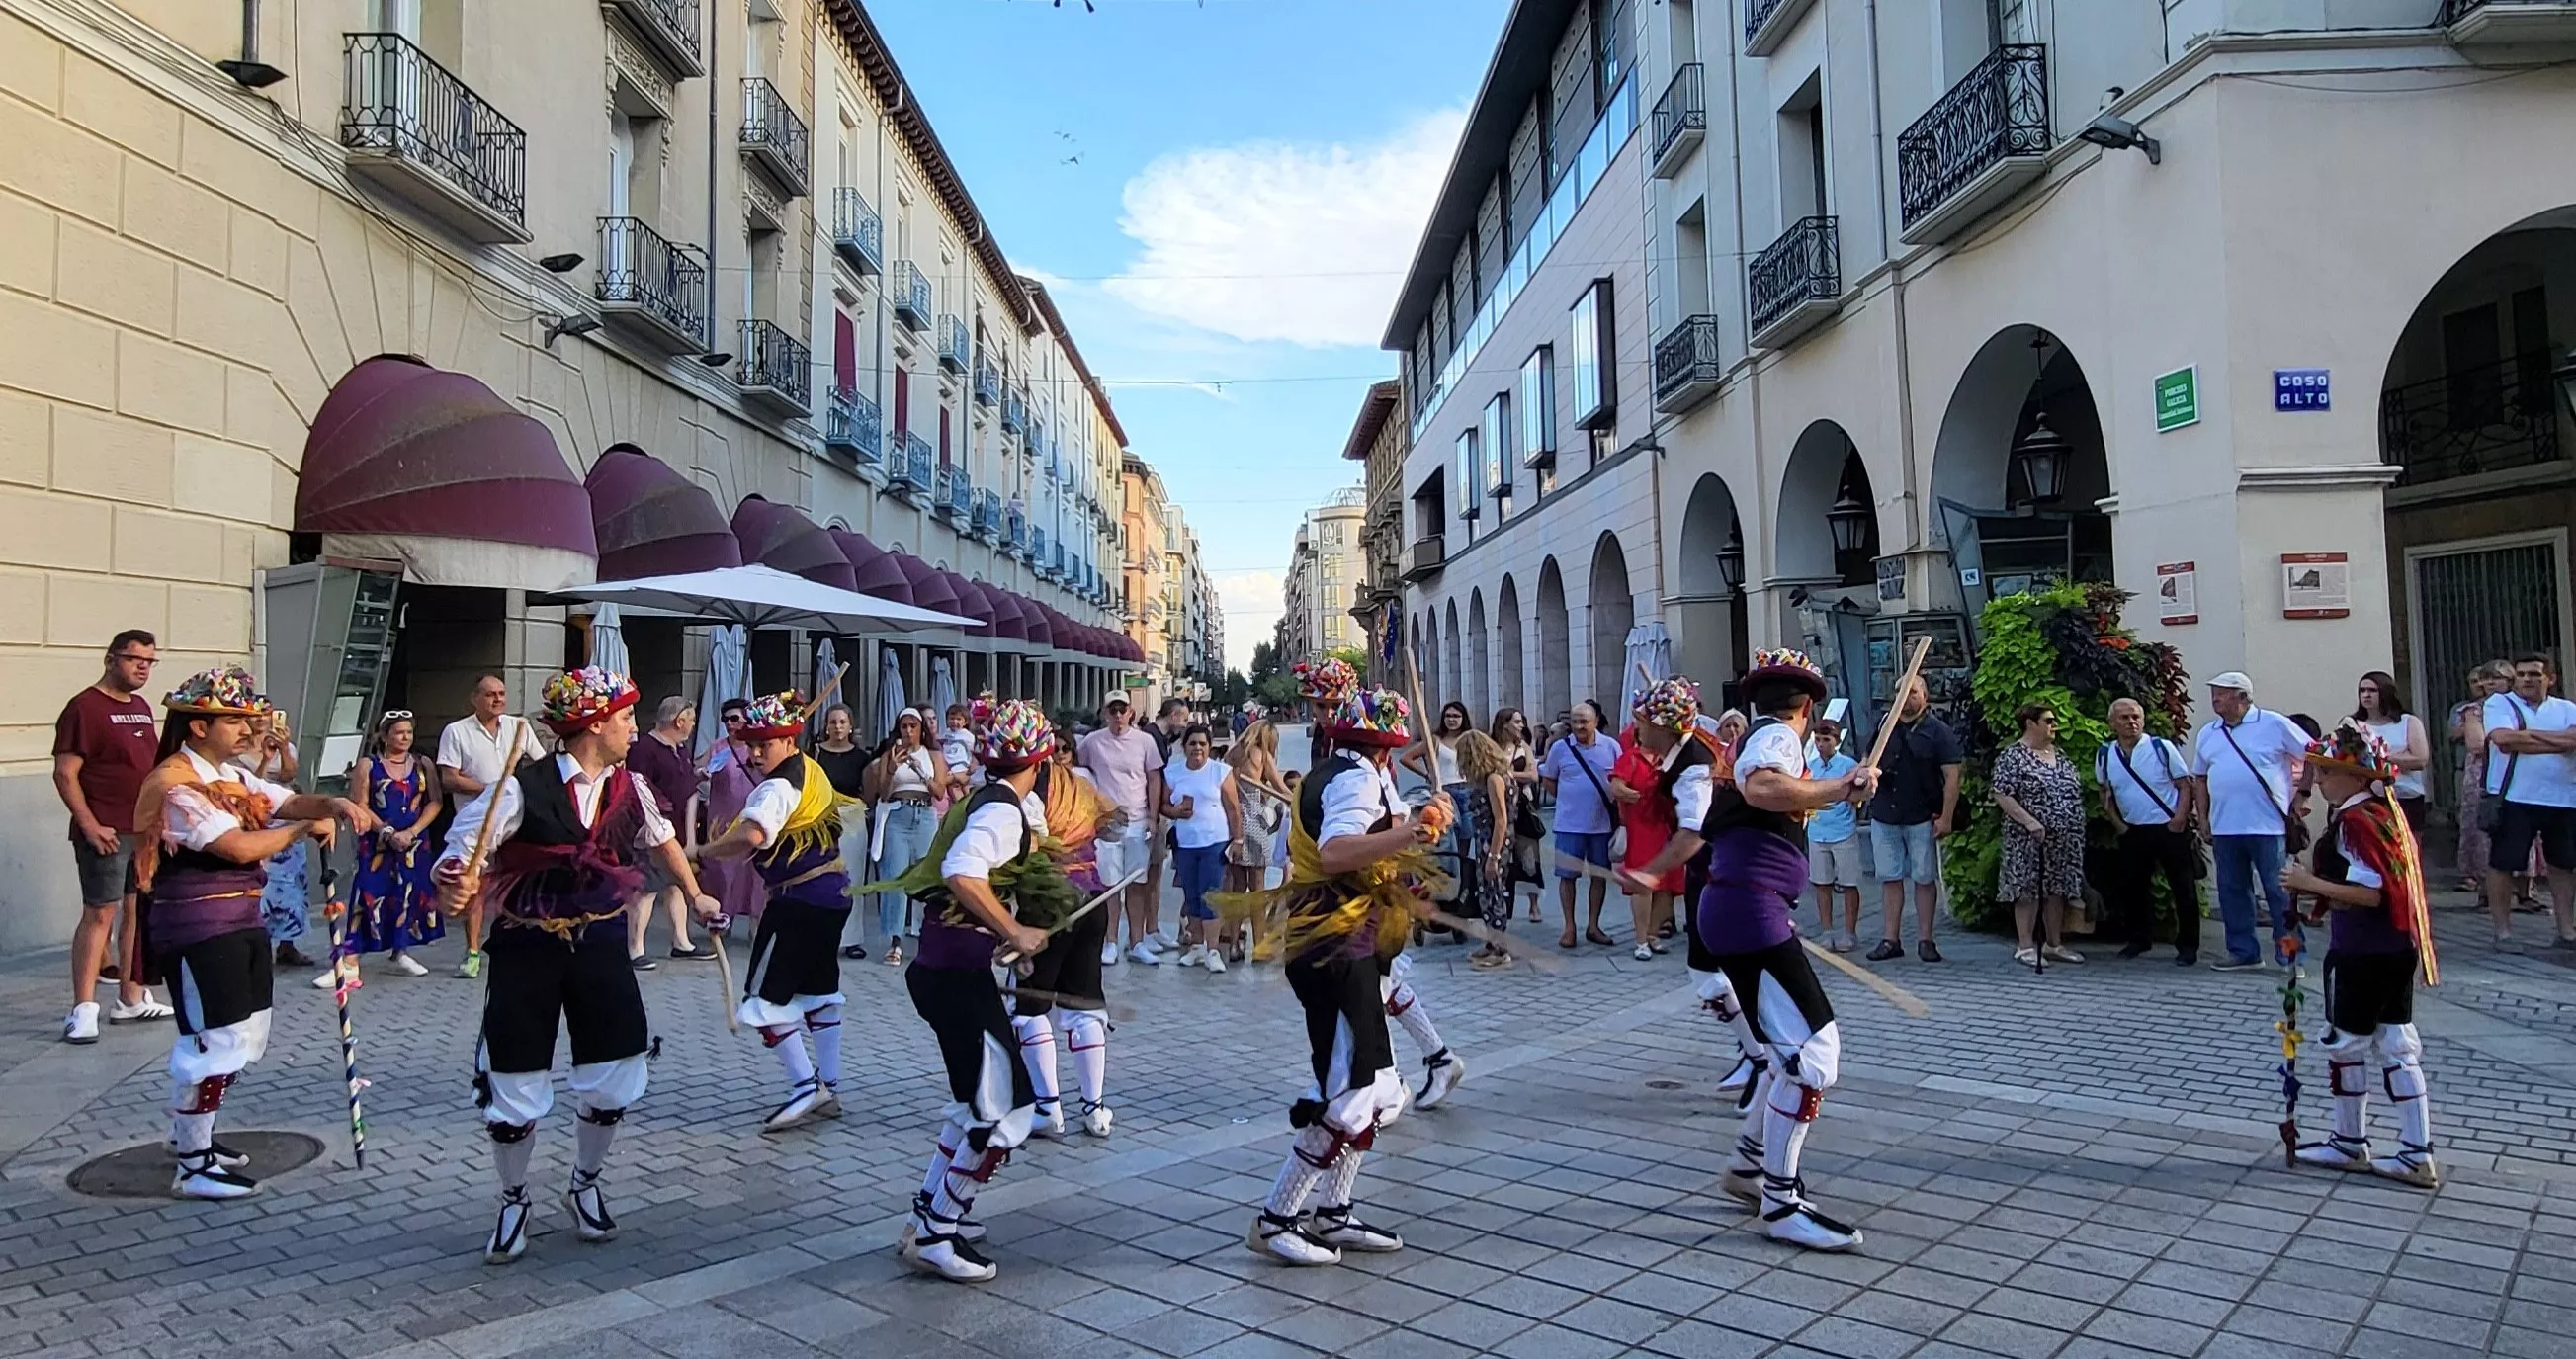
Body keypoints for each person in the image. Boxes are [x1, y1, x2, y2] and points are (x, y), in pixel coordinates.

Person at [435, 667, 719, 1264]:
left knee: (614, 1068)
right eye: (624, 720)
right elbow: (464, 855)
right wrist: (454, 888)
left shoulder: (630, 785)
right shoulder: (518, 788)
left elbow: (662, 840)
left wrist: (694, 897)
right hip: (528, 947)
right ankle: (513, 1199)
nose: (633, 730)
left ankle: (584, 1183)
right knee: (514, 1079)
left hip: (600, 944)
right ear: (593, 727)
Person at [1621, 654, 1875, 1251]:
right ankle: (1781, 1203)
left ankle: (1749, 1166)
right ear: (1808, 709)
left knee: (1787, 1053)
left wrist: (1841, 791)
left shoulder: (1747, 745)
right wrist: (1841, 785)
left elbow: (1763, 800)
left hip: (1743, 907)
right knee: (1814, 1056)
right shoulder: (1776, 740)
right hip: (1748, 909)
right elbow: (1765, 788)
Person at [1229, 688, 1447, 1267]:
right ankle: (1277, 1218)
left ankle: (1334, 1211)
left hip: (1349, 938)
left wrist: (1417, 837)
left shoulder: (1349, 771)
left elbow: (1382, 837)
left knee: (1375, 1089)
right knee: (1352, 1094)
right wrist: (1411, 835)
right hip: (1333, 944)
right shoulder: (1353, 779)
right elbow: (1336, 852)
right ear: (1385, 743)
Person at [136, 665, 373, 1198]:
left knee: (246, 1034)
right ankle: (192, 1165)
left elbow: (285, 800)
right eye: (235, 721)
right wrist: (300, 830)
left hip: (241, 921)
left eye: (249, 720)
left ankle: (193, 1135)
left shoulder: (232, 777)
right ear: (198, 726)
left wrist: (332, 803)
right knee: (213, 1041)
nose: (248, 731)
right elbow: (237, 846)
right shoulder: (175, 784)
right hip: (196, 927)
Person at [880, 701, 1060, 1284]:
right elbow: (961, 872)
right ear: (1043, 759)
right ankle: (938, 1233)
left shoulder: (985, 800)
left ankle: (928, 1215)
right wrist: (1013, 930)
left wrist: (999, 943)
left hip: (948, 969)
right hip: (954, 979)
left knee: (973, 1103)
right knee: (1008, 1110)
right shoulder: (1004, 811)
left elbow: (960, 894)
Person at [2281, 719, 2441, 1189]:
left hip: (2362, 950)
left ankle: (2351, 1142)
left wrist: (2309, 884)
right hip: (2394, 948)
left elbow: (2372, 894)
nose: (2320, 780)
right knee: (2396, 1041)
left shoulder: (2356, 821)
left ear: (2355, 777)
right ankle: (2414, 1149)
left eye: (2327, 772)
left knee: (2349, 1043)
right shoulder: (2382, 814)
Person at [696, 692, 861, 1133]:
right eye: (751, 744)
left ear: (788, 740)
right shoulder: (812, 769)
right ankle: (829, 1084)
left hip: (798, 901)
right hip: (833, 895)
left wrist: (703, 850)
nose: (753, 754)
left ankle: (807, 1087)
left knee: (764, 999)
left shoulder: (780, 785)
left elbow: (752, 835)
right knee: (819, 990)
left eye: (763, 744)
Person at [55, 630, 176, 1041]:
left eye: (149, 660)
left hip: (143, 831)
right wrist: (89, 825)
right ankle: (83, 1009)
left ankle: (131, 998)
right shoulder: (84, 708)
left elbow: (153, 771)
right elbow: (65, 773)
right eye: (134, 658)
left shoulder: (142, 707)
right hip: (105, 831)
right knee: (99, 915)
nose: (143, 666)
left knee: (137, 913)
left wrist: (163, 822)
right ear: (111, 660)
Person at [1018, 739, 1124, 1139]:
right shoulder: (1079, 784)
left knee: (1032, 1005)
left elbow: (1024, 846)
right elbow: (1115, 824)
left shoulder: (1025, 793)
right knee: (1084, 1003)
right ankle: (1095, 1109)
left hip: (1048, 903)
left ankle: (1048, 1109)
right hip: (1091, 898)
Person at [2190, 672, 2311, 971]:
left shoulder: (2273, 723)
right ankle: (2244, 952)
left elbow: (2314, 755)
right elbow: (2200, 778)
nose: (2215, 699)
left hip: (2268, 826)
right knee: (2233, 891)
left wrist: (2302, 795)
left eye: (2222, 693)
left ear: (2242, 697)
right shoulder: (2209, 732)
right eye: (2214, 693)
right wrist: (2203, 818)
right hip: (2225, 826)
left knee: (2278, 891)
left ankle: (2291, 954)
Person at [437, 674, 550, 979]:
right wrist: (494, 791)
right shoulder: (456, 731)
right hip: (476, 827)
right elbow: (449, 778)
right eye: (490, 695)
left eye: (501, 693)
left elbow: (542, 766)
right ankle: (472, 951)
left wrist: (516, 794)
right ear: (474, 698)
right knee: (475, 889)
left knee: (518, 885)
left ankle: (521, 944)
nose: (498, 699)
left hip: (515, 825)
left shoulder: (519, 728)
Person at [2462, 652, 2576, 949]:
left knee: (2562, 864)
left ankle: (2566, 929)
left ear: (2550, 679)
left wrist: (2529, 737)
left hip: (2563, 797)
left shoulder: (2566, 709)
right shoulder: (2500, 703)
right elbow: (2503, 739)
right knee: (2503, 863)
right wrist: (2556, 741)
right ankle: (2503, 931)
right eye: (2522, 674)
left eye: (2535, 674)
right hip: (2513, 796)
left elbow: (2574, 741)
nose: (2527, 679)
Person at [334, 711, 445, 984]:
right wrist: (385, 831)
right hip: (378, 842)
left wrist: (413, 831)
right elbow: (360, 804)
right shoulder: (369, 765)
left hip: (414, 842)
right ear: (384, 736)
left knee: (407, 892)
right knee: (368, 893)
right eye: (398, 732)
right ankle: (350, 958)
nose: (405, 737)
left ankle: (401, 949)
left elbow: (435, 801)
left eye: (409, 732)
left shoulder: (423, 764)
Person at [2096, 697, 2200, 965]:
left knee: (2183, 888)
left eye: (2136, 717)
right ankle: (2139, 939)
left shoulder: (2160, 747)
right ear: (2112, 723)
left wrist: (2179, 819)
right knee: (2134, 888)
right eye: (2125, 718)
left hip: (2168, 828)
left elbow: (2184, 784)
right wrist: (2118, 824)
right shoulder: (2106, 753)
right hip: (2133, 830)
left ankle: (2188, 946)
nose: (2132, 722)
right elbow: (2104, 791)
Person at [1864, 676, 1960, 964]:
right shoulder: (1885, 726)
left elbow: (1952, 776)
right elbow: (1868, 760)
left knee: (1923, 877)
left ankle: (1925, 940)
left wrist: (1946, 817)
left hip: (1921, 815)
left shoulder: (1938, 731)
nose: (1904, 697)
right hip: (1885, 814)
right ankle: (1890, 939)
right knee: (1890, 877)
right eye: (1899, 691)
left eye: (1911, 691)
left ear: (1925, 696)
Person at [1992, 702, 2087, 968]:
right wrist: (2030, 822)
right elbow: (2002, 793)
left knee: (2057, 887)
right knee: (2027, 889)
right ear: (2030, 724)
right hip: (2027, 837)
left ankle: (2053, 944)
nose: (2054, 725)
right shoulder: (2013, 756)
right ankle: (2025, 946)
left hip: (2064, 838)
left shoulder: (2060, 755)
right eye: (2048, 720)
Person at [621, 697, 710, 966]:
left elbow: (685, 784)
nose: (693, 725)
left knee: (676, 885)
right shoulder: (644, 749)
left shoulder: (680, 749)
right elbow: (637, 787)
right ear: (678, 721)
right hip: (652, 830)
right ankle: (635, 948)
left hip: (679, 829)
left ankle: (681, 942)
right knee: (647, 888)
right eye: (691, 719)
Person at [1077, 696, 1164, 967]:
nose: (1117, 715)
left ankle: (1136, 941)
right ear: (1104, 712)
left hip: (1137, 820)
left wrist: (1152, 816)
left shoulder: (1144, 742)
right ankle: (1110, 941)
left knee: (1136, 885)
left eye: (1122, 709)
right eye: (1112, 710)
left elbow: (1153, 778)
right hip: (1107, 823)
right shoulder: (1093, 742)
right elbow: (1082, 771)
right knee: (1110, 885)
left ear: (1131, 712)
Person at [859, 709, 945, 965]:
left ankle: (926, 936)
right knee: (894, 878)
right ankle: (895, 940)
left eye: (913, 726)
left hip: (924, 815)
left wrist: (920, 771)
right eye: (904, 727)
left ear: (921, 729)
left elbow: (939, 792)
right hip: (897, 815)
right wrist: (892, 769)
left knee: (927, 879)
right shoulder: (890, 754)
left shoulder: (933, 756)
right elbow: (883, 794)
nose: (908, 732)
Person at [1537, 700, 1621, 949]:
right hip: (1568, 825)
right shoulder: (1560, 749)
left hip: (1602, 825)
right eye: (1574, 721)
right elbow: (1549, 779)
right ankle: (1569, 927)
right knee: (1567, 876)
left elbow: (1621, 777)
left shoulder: (1611, 747)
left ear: (1596, 721)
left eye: (1584, 721)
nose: (1578, 726)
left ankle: (1594, 926)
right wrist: (1570, 798)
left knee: (1599, 876)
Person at [233, 710, 310, 966]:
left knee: (293, 887)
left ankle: (288, 945)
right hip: (258, 824)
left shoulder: (284, 745)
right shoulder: (238, 750)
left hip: (286, 821)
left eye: (267, 714)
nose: (262, 720)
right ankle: (261, 944)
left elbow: (289, 776)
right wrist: (265, 759)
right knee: (265, 889)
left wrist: (284, 748)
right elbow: (249, 785)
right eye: (256, 715)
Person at [1163, 725, 1242, 971]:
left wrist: (1237, 840)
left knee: (1211, 895)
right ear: (1184, 747)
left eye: (1202, 744)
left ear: (1209, 747)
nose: (1197, 748)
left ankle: (1213, 949)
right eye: (1192, 744)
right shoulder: (1173, 773)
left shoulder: (1220, 771)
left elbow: (1233, 807)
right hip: (1185, 843)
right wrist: (1175, 812)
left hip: (1214, 842)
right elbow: (1163, 805)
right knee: (1191, 895)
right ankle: (1196, 946)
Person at [694, 697, 764, 953]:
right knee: (723, 873)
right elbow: (696, 770)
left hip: (754, 818)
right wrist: (700, 774)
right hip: (722, 821)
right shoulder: (718, 748)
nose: (731, 724)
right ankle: (724, 921)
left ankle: (757, 926)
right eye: (726, 719)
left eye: (736, 718)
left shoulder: (760, 746)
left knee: (756, 874)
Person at [1609, 718, 1681, 962]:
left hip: (1668, 827)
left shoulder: (1669, 760)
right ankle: (1640, 940)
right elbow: (1617, 787)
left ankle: (1652, 935)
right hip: (1641, 829)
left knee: (1667, 886)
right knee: (1643, 885)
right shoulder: (1630, 757)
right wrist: (1636, 796)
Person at [1223, 720, 1292, 964]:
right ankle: (1259, 945)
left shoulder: (1232, 755)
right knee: (1258, 890)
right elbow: (1280, 787)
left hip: (1233, 825)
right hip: (1255, 824)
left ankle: (1233, 944)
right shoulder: (1262, 756)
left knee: (1237, 889)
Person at [2451, 662, 2515, 896]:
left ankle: (2523, 892)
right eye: (2485, 679)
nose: (2488, 683)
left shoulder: (2519, 707)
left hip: (2516, 770)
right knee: (2482, 829)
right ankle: (2486, 891)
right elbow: (2476, 744)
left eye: (2495, 678)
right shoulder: (2474, 710)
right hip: (2483, 772)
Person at [1455, 729, 1514, 969]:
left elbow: (1501, 819)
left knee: (1494, 893)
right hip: (1489, 840)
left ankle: (1500, 949)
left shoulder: (1494, 779)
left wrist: (1493, 856)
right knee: (1487, 892)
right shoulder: (1500, 775)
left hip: (1494, 841)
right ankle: (1492, 943)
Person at [1804, 722, 1863, 953]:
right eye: (1817, 740)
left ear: (1836, 741)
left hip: (1843, 831)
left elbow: (1859, 796)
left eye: (1826, 740)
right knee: (1822, 883)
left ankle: (1850, 932)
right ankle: (1827, 931)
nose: (1821, 745)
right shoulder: (1810, 767)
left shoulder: (1849, 766)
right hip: (1818, 831)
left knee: (1849, 883)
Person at [2356, 672, 2431, 837]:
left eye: (2372, 690)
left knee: (2409, 851)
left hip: (2405, 796)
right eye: (2362, 690)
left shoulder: (2408, 722)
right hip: (2368, 798)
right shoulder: (2354, 725)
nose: (2366, 695)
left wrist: (2383, 757)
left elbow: (2420, 760)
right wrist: (2400, 757)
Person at [1490, 709, 1546, 925]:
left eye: (1522, 721)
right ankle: (1500, 902)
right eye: (1517, 722)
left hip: (1522, 806)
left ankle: (1534, 904)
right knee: (1499, 856)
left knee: (1529, 856)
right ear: (1504, 724)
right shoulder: (1490, 747)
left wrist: (1507, 775)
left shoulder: (1523, 747)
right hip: (1497, 805)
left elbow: (1533, 775)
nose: (1521, 725)